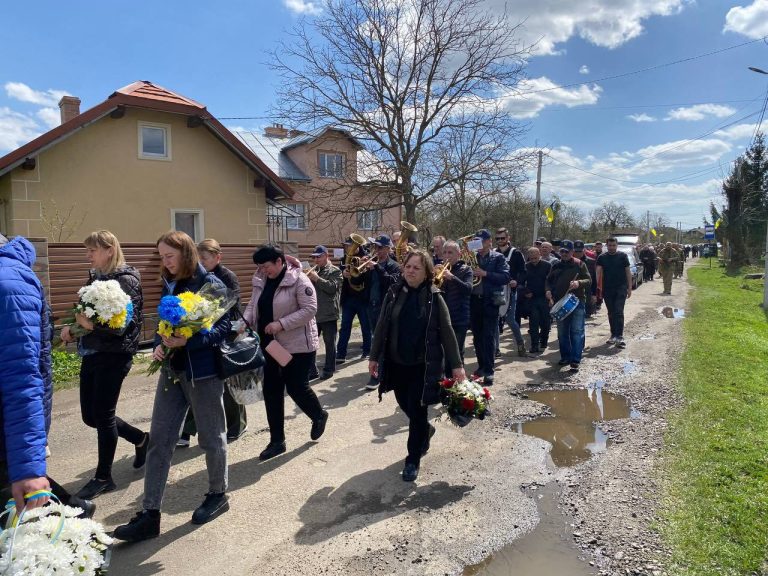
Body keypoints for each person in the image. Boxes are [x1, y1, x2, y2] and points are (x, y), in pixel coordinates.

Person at [114, 231, 232, 542]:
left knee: (211, 437)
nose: (165, 262)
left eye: (169, 256)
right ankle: (150, 514)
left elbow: (223, 329)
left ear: (186, 253)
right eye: (162, 256)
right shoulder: (171, 281)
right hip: (172, 371)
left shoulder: (211, 285)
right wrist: (158, 343)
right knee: (159, 441)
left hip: (203, 374)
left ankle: (218, 494)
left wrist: (188, 341)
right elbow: (163, 323)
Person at [0, 234, 95, 518]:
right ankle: (76, 510)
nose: (88, 255)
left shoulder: (8, 282)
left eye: (92, 250)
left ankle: (75, 516)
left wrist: (28, 466)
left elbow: (21, 377)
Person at [59, 231, 148, 500]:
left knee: (103, 414)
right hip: (92, 351)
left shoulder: (126, 281)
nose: (88, 255)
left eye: (92, 250)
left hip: (115, 354)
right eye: (87, 250)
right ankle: (141, 439)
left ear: (109, 250)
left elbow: (122, 326)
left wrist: (90, 325)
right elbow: (86, 314)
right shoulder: (96, 277)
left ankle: (103, 477)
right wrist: (73, 328)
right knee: (90, 417)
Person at [369, 250, 465, 482]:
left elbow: (448, 333)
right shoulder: (394, 292)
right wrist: (373, 356)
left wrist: (457, 366)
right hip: (396, 363)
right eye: (408, 266)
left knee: (417, 410)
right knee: (405, 405)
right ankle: (425, 430)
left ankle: (412, 459)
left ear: (426, 273)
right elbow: (381, 325)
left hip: (423, 366)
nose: (411, 271)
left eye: (416, 268)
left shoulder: (434, 297)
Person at [244, 245, 328, 462]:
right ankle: (277, 441)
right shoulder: (261, 279)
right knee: (271, 391)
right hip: (269, 345)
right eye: (260, 267)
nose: (264, 271)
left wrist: (281, 324)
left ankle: (318, 415)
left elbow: (310, 309)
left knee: (296, 387)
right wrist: (245, 322)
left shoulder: (299, 279)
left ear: (279, 261)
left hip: (298, 346)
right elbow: (253, 305)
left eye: (267, 266)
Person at [177, 239, 247, 447]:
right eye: (198, 258)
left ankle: (237, 425)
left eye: (205, 258)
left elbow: (232, 304)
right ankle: (187, 431)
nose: (201, 262)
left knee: (228, 384)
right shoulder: (195, 276)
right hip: (201, 335)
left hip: (225, 334)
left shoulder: (227, 276)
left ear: (218, 257)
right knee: (197, 384)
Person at [469, 229, 510, 385]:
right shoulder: (472, 257)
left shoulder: (498, 257)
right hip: (475, 301)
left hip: (490, 302)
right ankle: (481, 366)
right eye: (475, 242)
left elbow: (505, 277)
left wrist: (485, 273)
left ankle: (489, 371)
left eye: (480, 241)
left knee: (488, 336)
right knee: (477, 336)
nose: (477, 244)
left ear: (488, 242)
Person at [545, 240, 591, 371]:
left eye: (567, 251)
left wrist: (578, 283)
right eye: (562, 251)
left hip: (577, 302)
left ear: (572, 252)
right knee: (562, 332)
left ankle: (575, 360)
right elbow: (548, 280)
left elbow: (589, 280)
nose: (564, 254)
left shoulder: (580, 264)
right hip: (560, 302)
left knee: (577, 331)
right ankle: (565, 357)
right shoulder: (555, 265)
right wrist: (547, 290)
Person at [364, 235, 401, 390]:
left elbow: (391, 282)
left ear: (387, 249)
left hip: (385, 307)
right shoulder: (370, 264)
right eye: (375, 247)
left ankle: (376, 376)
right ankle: (382, 370)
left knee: (379, 340)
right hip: (371, 306)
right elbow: (360, 283)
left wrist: (377, 268)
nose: (376, 250)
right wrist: (358, 271)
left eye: (380, 247)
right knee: (376, 338)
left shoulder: (395, 266)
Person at [305, 245, 343, 381]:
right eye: (314, 258)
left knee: (329, 344)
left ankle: (329, 369)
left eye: (319, 257)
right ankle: (312, 370)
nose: (316, 260)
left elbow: (332, 288)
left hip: (328, 313)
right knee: (311, 344)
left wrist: (317, 279)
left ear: (326, 256)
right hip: (313, 313)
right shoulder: (313, 271)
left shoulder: (335, 271)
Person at [336, 236, 372, 363]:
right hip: (348, 298)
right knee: (345, 326)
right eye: (346, 246)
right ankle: (341, 353)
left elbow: (369, 277)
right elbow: (340, 273)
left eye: (350, 245)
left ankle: (367, 351)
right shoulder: (343, 259)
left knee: (365, 326)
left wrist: (363, 268)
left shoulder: (366, 258)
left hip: (363, 298)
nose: (348, 248)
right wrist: (343, 273)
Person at [438, 240, 473, 367]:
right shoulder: (440, 269)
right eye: (445, 252)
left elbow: (468, 289)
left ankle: (458, 377)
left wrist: (452, 277)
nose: (447, 255)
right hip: (443, 317)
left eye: (450, 252)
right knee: (443, 352)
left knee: (457, 352)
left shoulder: (466, 270)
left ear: (458, 254)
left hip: (459, 318)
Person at [494, 227, 527, 358]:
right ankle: (496, 349)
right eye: (497, 238)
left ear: (508, 238)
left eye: (502, 238)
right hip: (497, 291)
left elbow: (523, 272)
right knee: (495, 318)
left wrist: (517, 282)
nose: (500, 240)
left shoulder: (516, 253)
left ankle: (520, 343)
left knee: (510, 319)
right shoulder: (493, 253)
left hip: (511, 291)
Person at [596, 237, 632, 348]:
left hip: (621, 288)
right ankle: (613, 335)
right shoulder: (602, 257)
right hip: (607, 289)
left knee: (619, 311)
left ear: (617, 245)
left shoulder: (623, 256)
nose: (612, 247)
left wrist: (629, 287)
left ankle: (619, 336)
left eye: (614, 245)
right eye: (610, 245)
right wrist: (597, 288)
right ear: (606, 246)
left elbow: (628, 272)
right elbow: (598, 273)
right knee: (611, 312)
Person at [521, 246, 551, 354]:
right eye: (531, 258)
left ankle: (544, 341)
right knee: (533, 322)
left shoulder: (547, 265)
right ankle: (534, 345)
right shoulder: (526, 267)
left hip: (544, 297)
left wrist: (549, 291)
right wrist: (526, 292)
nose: (533, 260)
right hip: (532, 298)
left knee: (545, 322)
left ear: (539, 255)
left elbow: (551, 280)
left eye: (535, 258)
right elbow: (521, 282)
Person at [574, 240, 597, 317]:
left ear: (584, 250)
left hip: (587, 293)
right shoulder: (568, 262)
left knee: (586, 316)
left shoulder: (591, 262)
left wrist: (594, 294)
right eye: (576, 251)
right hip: (573, 293)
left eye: (580, 251)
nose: (578, 253)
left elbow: (594, 279)